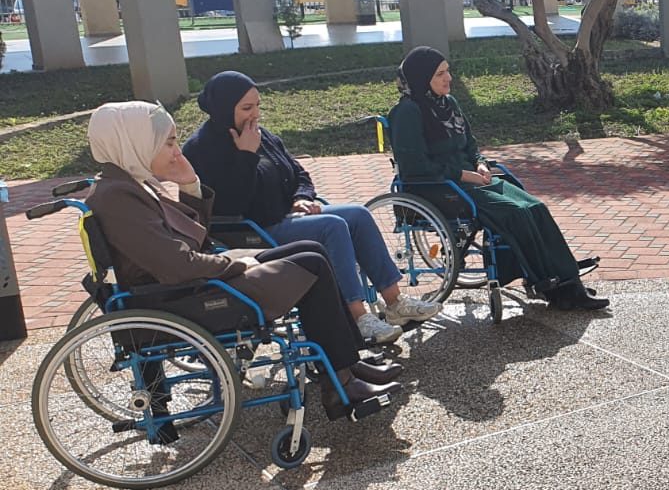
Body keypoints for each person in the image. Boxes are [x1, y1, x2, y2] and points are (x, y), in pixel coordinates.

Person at [84, 101, 403, 423]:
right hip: (180, 297)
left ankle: (345, 366)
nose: (177, 151)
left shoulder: (129, 185)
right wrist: (237, 265)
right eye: (168, 143)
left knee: (311, 250)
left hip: (184, 286)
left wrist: (190, 186)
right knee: (312, 265)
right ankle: (341, 381)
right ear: (135, 142)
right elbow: (177, 263)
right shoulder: (119, 196)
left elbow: (191, 242)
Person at [182, 71, 443, 345]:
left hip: (287, 216)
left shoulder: (260, 135)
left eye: (258, 105)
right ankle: (357, 317)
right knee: (333, 226)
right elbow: (230, 204)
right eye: (247, 108)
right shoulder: (203, 148)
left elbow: (299, 173)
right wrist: (246, 155)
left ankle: (394, 302)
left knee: (358, 215)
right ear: (224, 108)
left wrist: (301, 197)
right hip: (254, 231)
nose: (256, 114)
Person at [387, 46, 608, 310]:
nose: (449, 78)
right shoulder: (407, 112)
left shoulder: (449, 104)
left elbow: (470, 146)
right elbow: (416, 165)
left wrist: (480, 164)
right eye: (440, 74)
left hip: (470, 180)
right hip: (439, 187)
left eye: (448, 71)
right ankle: (556, 286)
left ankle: (564, 278)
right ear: (422, 79)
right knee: (515, 213)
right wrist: (466, 175)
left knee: (535, 207)